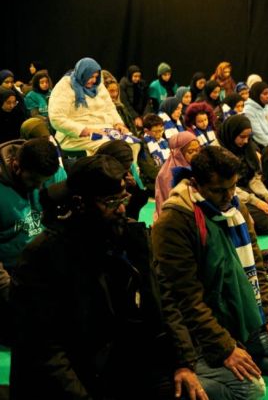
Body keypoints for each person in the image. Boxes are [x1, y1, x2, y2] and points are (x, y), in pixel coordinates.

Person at [11, 155, 205, 399]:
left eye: (123, 198)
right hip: (78, 377)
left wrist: (183, 362)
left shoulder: (129, 235)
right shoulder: (42, 257)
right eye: (111, 201)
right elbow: (44, 349)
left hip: (129, 362)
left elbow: (162, 299)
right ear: (80, 203)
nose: (122, 208)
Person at [152, 146, 268, 399]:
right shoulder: (176, 221)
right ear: (196, 183)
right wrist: (224, 349)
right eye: (218, 190)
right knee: (251, 389)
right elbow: (186, 300)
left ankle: (242, 355)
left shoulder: (237, 209)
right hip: (199, 333)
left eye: (232, 187)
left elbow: (256, 267)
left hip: (240, 318)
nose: (228, 196)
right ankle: (200, 371)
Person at [218, 115, 268, 235]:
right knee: (267, 223)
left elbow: (254, 178)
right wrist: (256, 202)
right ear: (232, 134)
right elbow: (230, 188)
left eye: (248, 137)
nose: (245, 141)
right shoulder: (219, 153)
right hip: (231, 196)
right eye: (242, 137)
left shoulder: (246, 148)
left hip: (248, 190)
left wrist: (267, 197)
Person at [48, 57, 131, 155]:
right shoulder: (64, 87)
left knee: (133, 144)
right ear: (82, 73)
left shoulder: (98, 85)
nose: (93, 80)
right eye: (90, 76)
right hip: (74, 137)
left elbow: (109, 108)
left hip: (104, 130)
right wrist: (85, 130)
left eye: (96, 77)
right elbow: (56, 119)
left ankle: (132, 170)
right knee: (113, 148)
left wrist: (118, 124)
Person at [0, 138, 59, 271]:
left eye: (45, 181)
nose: (38, 187)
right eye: (33, 180)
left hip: (51, 259)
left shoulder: (53, 171)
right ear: (16, 167)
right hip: (15, 270)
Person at [95, 139, 150, 221]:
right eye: (124, 168)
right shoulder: (95, 179)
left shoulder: (127, 176)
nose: (126, 171)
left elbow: (140, 201)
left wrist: (134, 187)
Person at [154, 130, 200, 220]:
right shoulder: (166, 175)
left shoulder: (198, 166)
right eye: (190, 151)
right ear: (178, 153)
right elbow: (168, 204)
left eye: (197, 150)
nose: (196, 154)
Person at [244, 81, 268, 149]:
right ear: (256, 94)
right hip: (260, 146)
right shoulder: (248, 110)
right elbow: (258, 134)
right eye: (265, 94)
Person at [138, 113, 169, 187]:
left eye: (161, 130)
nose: (160, 134)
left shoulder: (163, 141)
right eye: (155, 131)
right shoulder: (142, 144)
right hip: (152, 181)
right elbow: (149, 169)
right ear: (146, 131)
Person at [119, 65, 150, 129]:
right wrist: (135, 117)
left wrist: (145, 116)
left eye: (139, 76)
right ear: (130, 75)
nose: (137, 78)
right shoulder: (123, 84)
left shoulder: (142, 84)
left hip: (142, 114)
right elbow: (125, 103)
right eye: (135, 76)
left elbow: (147, 101)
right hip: (129, 114)